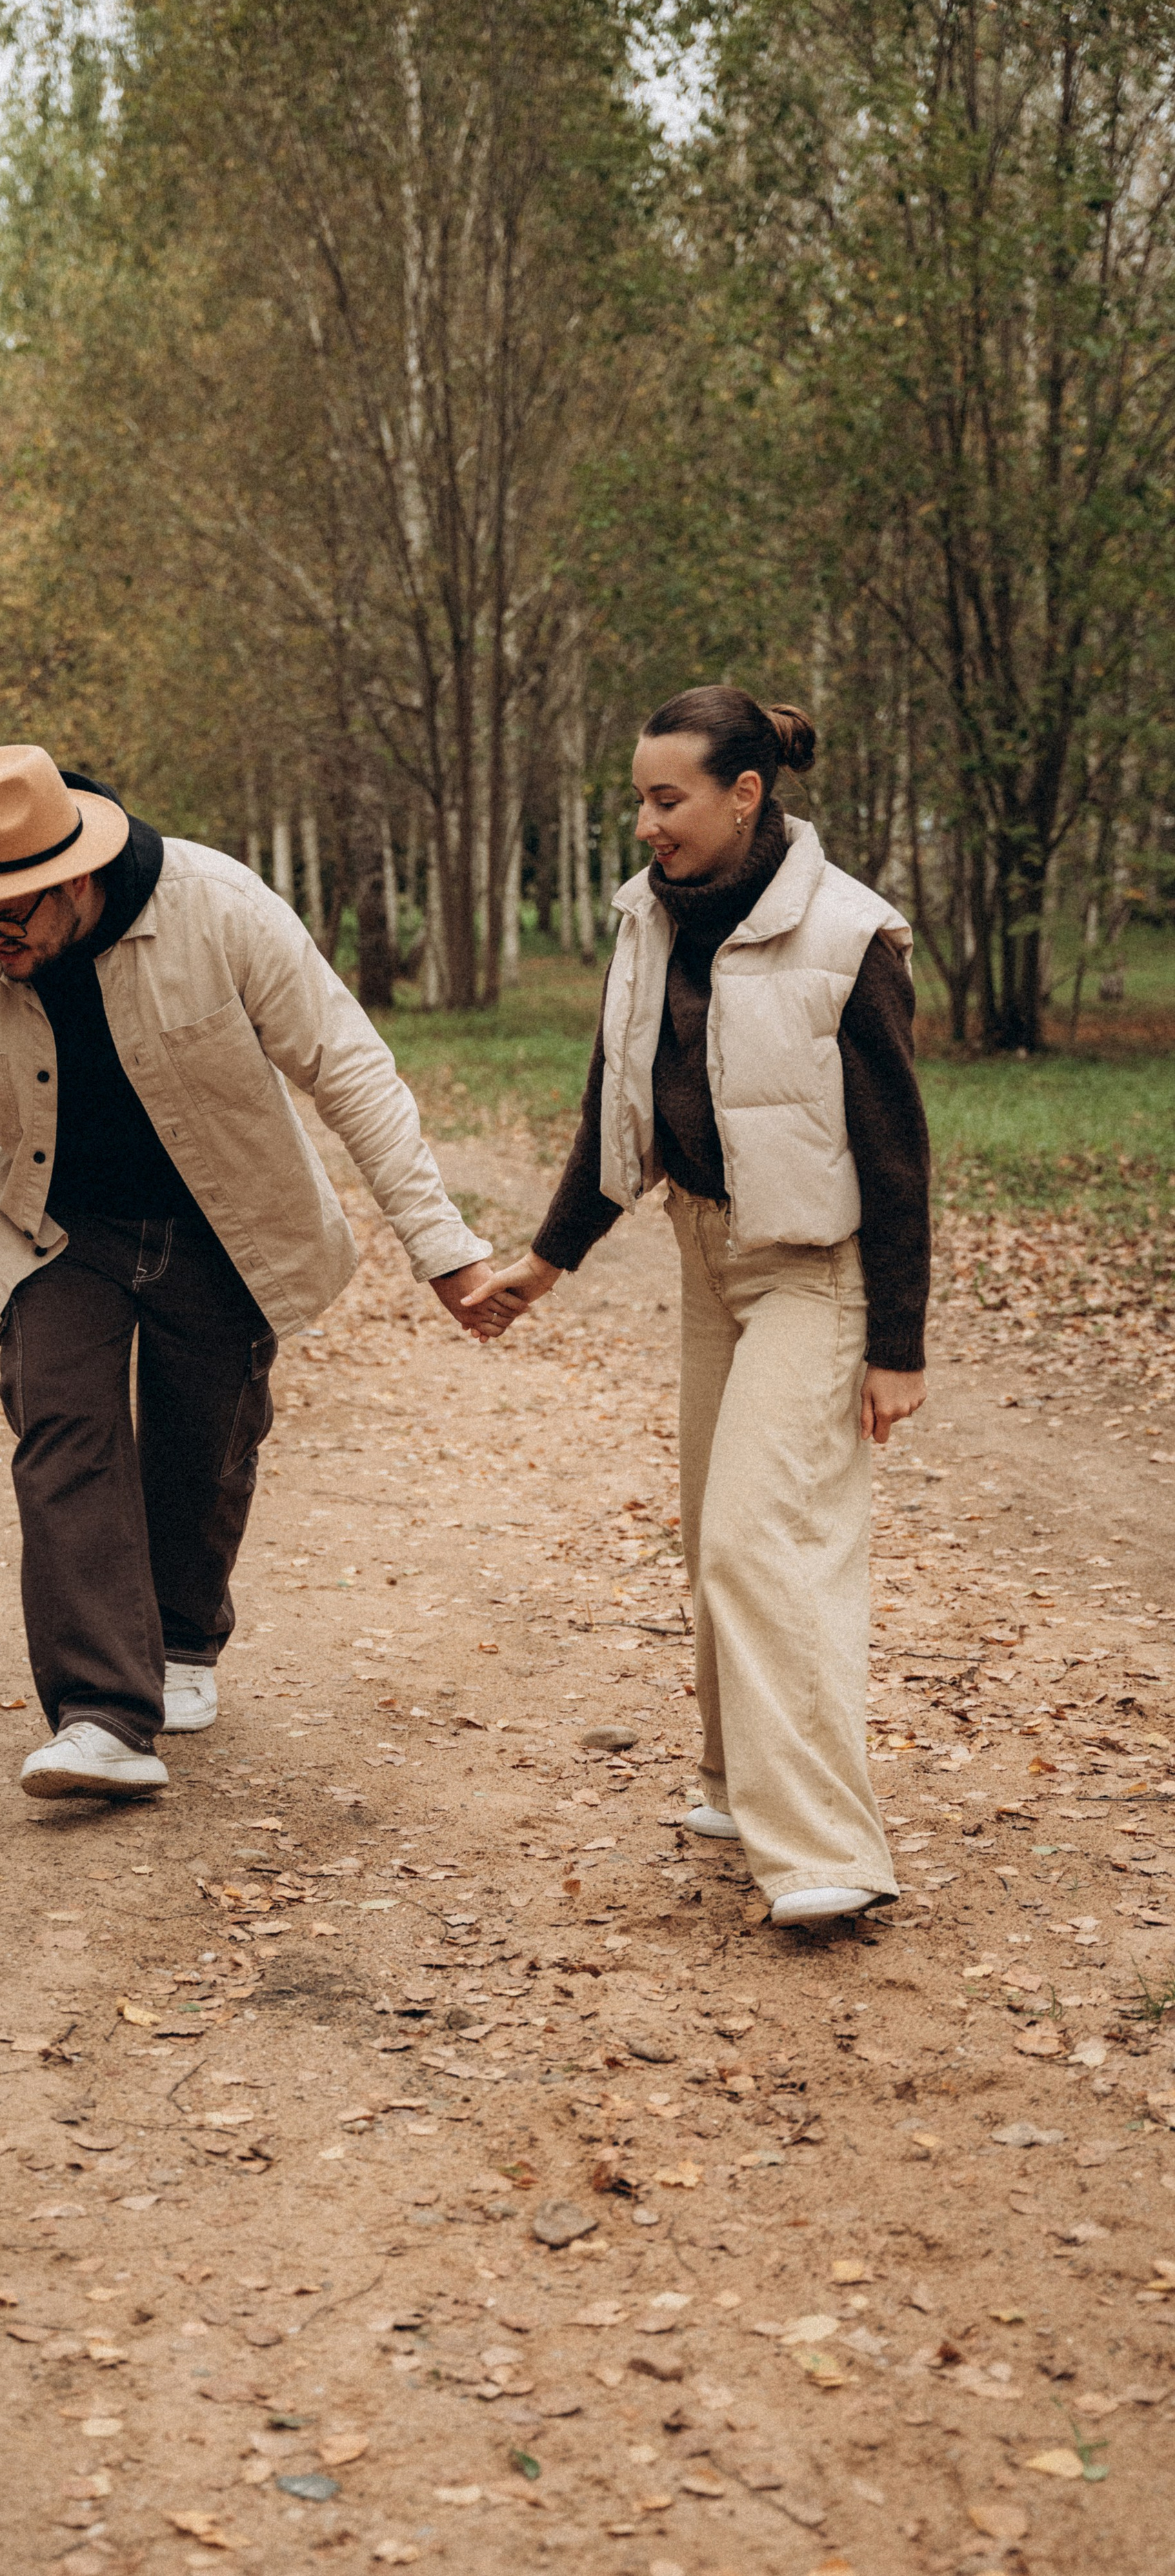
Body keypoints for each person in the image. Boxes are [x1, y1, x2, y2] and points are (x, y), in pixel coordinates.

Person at [0, 743, 493, 1802]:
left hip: (225, 1222)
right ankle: (102, 1714)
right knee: (60, 1431)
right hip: (61, 1227)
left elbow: (349, 1066)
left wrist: (443, 1246)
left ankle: (183, 1636)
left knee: (205, 1445)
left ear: (75, 880)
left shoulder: (218, 906)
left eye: (8, 920)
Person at [465, 687, 930, 1926]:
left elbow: (897, 1153)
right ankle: (734, 1779)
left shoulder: (848, 937)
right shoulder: (650, 919)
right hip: (706, 1256)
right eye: (640, 799)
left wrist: (897, 1342)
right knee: (706, 1530)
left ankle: (826, 1848)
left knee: (760, 1537)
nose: (646, 823)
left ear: (745, 794)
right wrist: (547, 1261)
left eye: (667, 799)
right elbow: (613, 1099)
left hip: (815, 1270)